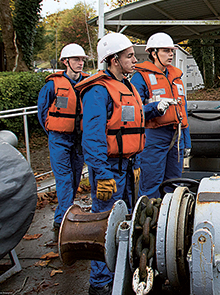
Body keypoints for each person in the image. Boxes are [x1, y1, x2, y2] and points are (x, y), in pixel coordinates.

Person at [76, 32, 163, 295]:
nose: (134, 60)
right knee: (105, 225)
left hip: (128, 165)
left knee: (127, 221)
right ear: (113, 60)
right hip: (109, 168)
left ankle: (120, 274)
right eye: (129, 56)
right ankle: (100, 283)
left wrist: (152, 108)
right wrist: (101, 173)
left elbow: (130, 118)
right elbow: (92, 136)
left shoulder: (128, 86)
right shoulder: (97, 91)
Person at [37, 43, 89, 240]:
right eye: (76, 59)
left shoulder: (88, 83)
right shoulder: (52, 85)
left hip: (79, 138)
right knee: (64, 178)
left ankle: (65, 213)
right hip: (59, 138)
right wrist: (54, 131)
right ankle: (63, 220)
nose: (80, 63)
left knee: (76, 176)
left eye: (82, 59)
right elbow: (43, 112)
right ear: (66, 62)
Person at [131, 32, 191, 199]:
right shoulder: (140, 78)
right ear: (153, 53)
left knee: (174, 183)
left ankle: (170, 221)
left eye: (171, 51)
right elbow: (134, 112)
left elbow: (182, 111)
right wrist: (154, 108)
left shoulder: (176, 78)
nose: (170, 55)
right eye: (166, 51)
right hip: (153, 137)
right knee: (151, 183)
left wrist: (186, 141)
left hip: (176, 136)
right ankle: (149, 221)